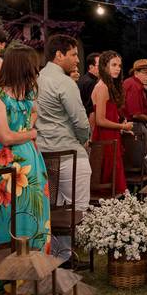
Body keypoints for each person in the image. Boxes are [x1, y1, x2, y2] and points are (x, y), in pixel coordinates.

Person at [0, 45, 50, 249]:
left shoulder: (26, 94)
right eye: (34, 66)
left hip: (32, 162)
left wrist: (28, 125)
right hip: (7, 164)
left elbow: (33, 113)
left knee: (34, 211)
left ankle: (36, 262)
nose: (37, 71)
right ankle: (10, 265)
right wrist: (31, 134)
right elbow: (5, 137)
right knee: (9, 214)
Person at [36, 34, 92, 210]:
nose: (77, 60)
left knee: (50, 212)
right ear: (59, 55)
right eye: (74, 54)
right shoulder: (64, 82)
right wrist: (84, 140)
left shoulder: (35, 79)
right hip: (68, 154)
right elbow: (81, 122)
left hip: (42, 155)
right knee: (79, 212)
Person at [91, 51, 132, 194]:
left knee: (113, 177)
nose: (118, 69)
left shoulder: (106, 86)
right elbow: (100, 120)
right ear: (104, 66)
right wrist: (123, 126)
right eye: (114, 65)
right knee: (109, 178)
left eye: (119, 66)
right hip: (105, 137)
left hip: (111, 136)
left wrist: (120, 125)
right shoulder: (102, 87)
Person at [123, 58, 147, 124]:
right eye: (145, 73)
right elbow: (135, 115)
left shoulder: (137, 84)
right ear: (136, 73)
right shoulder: (134, 85)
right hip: (132, 125)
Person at [78, 52, 100, 117]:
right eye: (99, 65)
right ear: (91, 67)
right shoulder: (91, 82)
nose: (103, 68)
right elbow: (91, 109)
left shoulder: (84, 79)